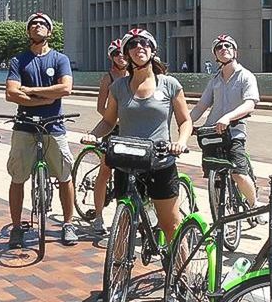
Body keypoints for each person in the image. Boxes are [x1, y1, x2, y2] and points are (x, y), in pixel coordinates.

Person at [80, 28, 192, 248]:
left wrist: (181, 142)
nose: (139, 47)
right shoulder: (118, 86)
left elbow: (185, 121)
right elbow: (109, 121)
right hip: (128, 163)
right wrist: (93, 135)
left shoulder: (169, 84)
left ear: (152, 49)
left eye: (144, 43)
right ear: (126, 53)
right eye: (132, 45)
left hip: (161, 162)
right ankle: (119, 274)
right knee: (124, 222)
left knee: (171, 225)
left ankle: (183, 273)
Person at [5, 12, 78, 246]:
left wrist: (30, 90)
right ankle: (16, 227)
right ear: (28, 32)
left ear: (50, 31)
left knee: (65, 176)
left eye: (43, 24)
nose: (38, 26)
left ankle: (68, 223)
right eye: (33, 24)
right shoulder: (18, 60)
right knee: (18, 177)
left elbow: (66, 88)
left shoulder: (59, 59)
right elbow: (11, 93)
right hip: (24, 125)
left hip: (54, 125)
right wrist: (44, 98)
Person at [190, 34, 263, 218]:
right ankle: (218, 213)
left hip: (234, 131)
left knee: (238, 173)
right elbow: (201, 105)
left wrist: (228, 118)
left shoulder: (246, 76)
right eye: (219, 47)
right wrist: (187, 123)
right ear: (215, 55)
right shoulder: (215, 80)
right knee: (213, 176)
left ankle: (254, 205)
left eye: (228, 46)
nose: (224, 49)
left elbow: (250, 103)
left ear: (235, 51)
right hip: (212, 132)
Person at [88, 39, 128, 233]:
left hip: (132, 129)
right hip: (113, 129)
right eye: (116, 54)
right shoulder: (108, 78)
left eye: (123, 53)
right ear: (112, 57)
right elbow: (99, 107)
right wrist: (114, 119)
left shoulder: (135, 75)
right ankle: (98, 216)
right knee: (105, 171)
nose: (121, 57)